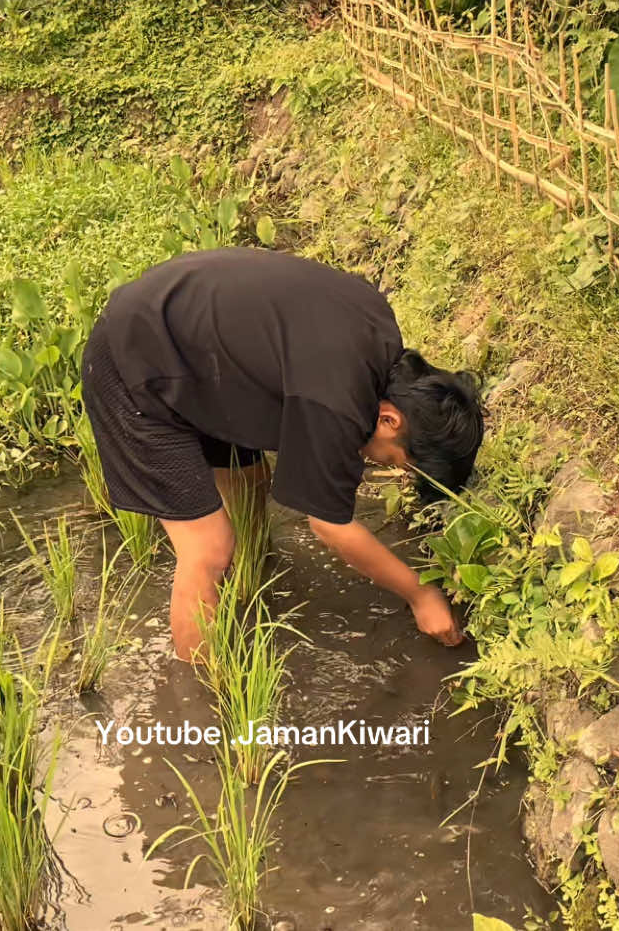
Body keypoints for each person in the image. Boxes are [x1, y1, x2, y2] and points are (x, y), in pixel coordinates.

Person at [81, 247, 483, 661]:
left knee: (250, 480)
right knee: (209, 548)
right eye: (396, 462)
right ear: (390, 420)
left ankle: (249, 577)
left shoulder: (378, 336)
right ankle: (200, 692)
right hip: (133, 363)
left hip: (201, 353)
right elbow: (331, 527)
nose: (383, 466)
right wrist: (420, 594)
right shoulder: (336, 398)